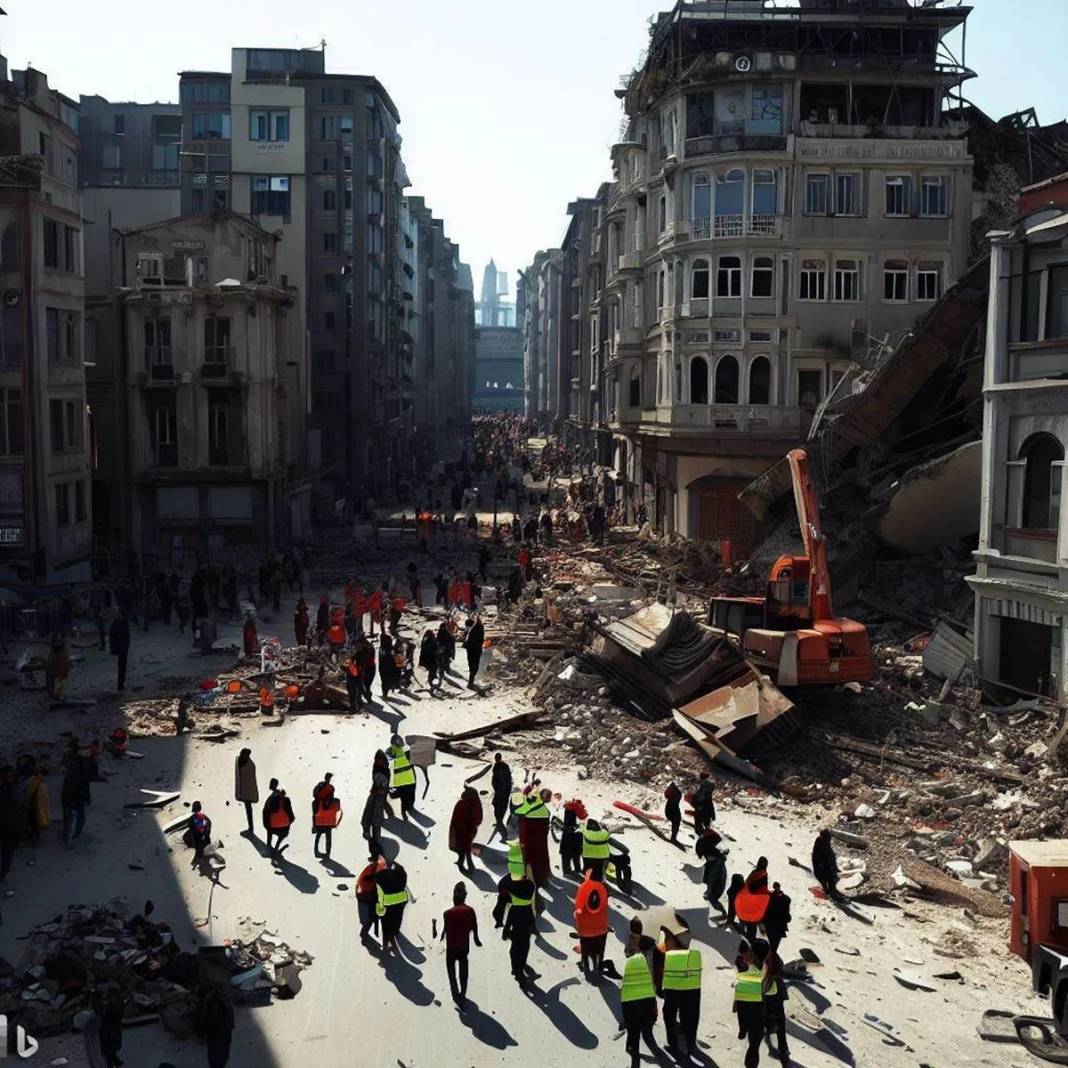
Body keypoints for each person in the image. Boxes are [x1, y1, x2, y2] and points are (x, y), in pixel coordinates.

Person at [621, 918, 659, 1068]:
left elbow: (629, 956)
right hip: (646, 987)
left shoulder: (642, 946)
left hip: (636, 989)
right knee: (645, 1013)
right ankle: (645, 1029)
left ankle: (633, 1046)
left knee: (634, 1023)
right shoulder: (647, 943)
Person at [661, 929, 702, 1060]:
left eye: (668, 939)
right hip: (692, 988)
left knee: (669, 1015)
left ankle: (673, 1046)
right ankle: (691, 1044)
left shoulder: (668, 955)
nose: (665, 942)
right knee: (691, 1015)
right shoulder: (695, 955)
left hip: (673, 989)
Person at [441, 881, 482, 1008]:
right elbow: (474, 926)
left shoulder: (447, 913)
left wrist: (443, 934)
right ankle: (462, 993)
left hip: (451, 948)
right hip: (464, 947)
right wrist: (476, 938)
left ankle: (455, 994)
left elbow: (446, 927)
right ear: (465, 896)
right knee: (463, 971)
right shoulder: (470, 911)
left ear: (454, 896)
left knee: (451, 972)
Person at [734, 938, 771, 1068]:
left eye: (749, 951)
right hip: (760, 1019)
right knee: (754, 1048)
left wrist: (742, 1029)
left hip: (751, 1018)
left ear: (753, 955)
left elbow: (741, 1006)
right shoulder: (767, 972)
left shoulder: (745, 977)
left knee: (753, 1049)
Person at [501, 864, 537, 984]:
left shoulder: (514, 891)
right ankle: (519, 972)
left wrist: (506, 928)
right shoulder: (529, 887)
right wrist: (533, 925)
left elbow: (510, 915)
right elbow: (530, 912)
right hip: (526, 924)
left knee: (515, 948)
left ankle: (515, 969)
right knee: (524, 948)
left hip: (516, 924)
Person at [573, 868, 609, 978]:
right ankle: (598, 965)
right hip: (601, 928)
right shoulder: (602, 888)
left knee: (585, 948)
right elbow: (604, 906)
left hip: (585, 929)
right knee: (600, 948)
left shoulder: (583, 887)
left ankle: (586, 967)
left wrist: (576, 915)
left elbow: (577, 905)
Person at [374, 858, 410, 954]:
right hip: (401, 901)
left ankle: (386, 945)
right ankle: (394, 934)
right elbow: (402, 872)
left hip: (388, 903)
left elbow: (380, 895)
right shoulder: (401, 874)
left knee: (386, 925)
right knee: (397, 919)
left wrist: (380, 907)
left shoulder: (379, 878)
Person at [517, 786, 551, 886]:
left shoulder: (526, 808)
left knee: (526, 861)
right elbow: (546, 830)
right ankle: (542, 880)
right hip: (540, 843)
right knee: (540, 860)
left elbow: (523, 827)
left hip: (527, 841)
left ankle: (527, 880)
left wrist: (522, 841)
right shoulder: (545, 811)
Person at [197, 982, 235, 1068]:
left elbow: (202, 1018)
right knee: (221, 1053)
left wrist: (201, 1033)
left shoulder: (208, 1000)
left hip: (215, 1032)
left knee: (215, 1053)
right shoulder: (224, 1000)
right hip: (222, 1032)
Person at [763, 949, 791, 1066]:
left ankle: (781, 1047)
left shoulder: (768, 956)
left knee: (774, 1017)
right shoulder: (771, 955)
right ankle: (782, 1048)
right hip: (775, 993)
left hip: (772, 993)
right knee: (779, 1019)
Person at [61, 743, 92, 843]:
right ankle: (72, 837)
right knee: (77, 817)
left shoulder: (76, 763)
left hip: (69, 793)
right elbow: (83, 782)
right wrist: (86, 796)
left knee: (70, 816)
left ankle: (68, 836)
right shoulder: (81, 764)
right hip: (74, 794)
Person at [448, 786, 482, 873]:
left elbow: (476, 817)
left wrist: (472, 825)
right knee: (464, 847)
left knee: (464, 848)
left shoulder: (467, 803)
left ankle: (465, 866)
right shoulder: (472, 802)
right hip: (464, 829)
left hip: (465, 829)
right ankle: (464, 864)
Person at [695, 827, 728, 917]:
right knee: (712, 899)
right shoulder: (713, 862)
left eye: (706, 856)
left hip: (717, 885)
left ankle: (724, 914)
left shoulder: (715, 866)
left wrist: (708, 892)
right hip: (716, 883)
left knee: (713, 900)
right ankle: (723, 913)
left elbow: (712, 879)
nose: (705, 858)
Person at [262, 779, 295, 865]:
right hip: (283, 828)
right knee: (283, 833)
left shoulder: (270, 799)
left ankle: (268, 846)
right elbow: (291, 816)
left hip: (271, 827)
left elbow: (265, 813)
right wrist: (287, 823)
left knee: (269, 830)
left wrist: (267, 826)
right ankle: (276, 847)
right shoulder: (286, 800)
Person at [0, 765, 24, 880]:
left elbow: (15, 810)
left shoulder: (12, 790)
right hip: (8, 826)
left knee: (6, 853)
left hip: (9, 826)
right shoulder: (10, 788)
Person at [311, 773, 342, 859]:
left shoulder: (320, 787)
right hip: (328, 818)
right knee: (328, 836)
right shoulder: (331, 788)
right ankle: (327, 853)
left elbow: (315, 797)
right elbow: (332, 800)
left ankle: (316, 851)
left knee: (319, 834)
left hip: (320, 816)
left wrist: (313, 824)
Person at [387, 734, 417, 820]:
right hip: (409, 777)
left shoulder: (390, 751)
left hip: (400, 779)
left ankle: (403, 812)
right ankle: (409, 807)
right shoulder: (406, 749)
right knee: (410, 794)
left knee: (403, 797)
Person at [356, 855, 385, 942]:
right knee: (373, 916)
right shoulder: (371, 872)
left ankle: (366, 932)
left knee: (374, 915)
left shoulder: (372, 868)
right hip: (367, 894)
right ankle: (364, 934)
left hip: (369, 892)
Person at [23, 761, 50, 847]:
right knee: (35, 827)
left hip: (30, 807)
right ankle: (33, 842)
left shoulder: (33, 780)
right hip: (35, 809)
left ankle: (29, 838)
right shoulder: (41, 784)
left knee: (31, 825)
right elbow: (42, 801)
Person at [812, 828, 842, 901]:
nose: (829, 838)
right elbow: (817, 855)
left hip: (827, 865)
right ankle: (831, 894)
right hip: (822, 865)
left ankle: (832, 892)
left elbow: (830, 854)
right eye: (828, 836)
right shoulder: (820, 842)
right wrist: (821, 864)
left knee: (831, 879)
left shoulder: (825, 842)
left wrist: (834, 866)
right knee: (828, 879)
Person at [560, 798, 587, 878]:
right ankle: (577, 869)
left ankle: (566, 871)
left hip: (568, 836)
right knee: (577, 854)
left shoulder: (568, 810)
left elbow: (565, 825)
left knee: (566, 855)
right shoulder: (581, 810)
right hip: (578, 835)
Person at [234, 748, 258, 835]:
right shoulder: (246, 762)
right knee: (248, 810)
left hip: (247, 791)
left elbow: (250, 778)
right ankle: (250, 828)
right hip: (246, 791)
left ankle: (251, 828)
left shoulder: (249, 764)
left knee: (249, 810)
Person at [763, 882, 792, 954]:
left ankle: (770, 958)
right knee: (774, 947)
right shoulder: (786, 899)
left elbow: (765, 912)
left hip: (770, 925)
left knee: (771, 945)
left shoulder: (768, 898)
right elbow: (787, 915)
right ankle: (772, 958)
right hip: (780, 927)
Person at [490, 752, 512, 840]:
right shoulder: (505, 766)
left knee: (498, 813)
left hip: (500, 793)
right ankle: (499, 824)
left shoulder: (497, 767)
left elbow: (496, 781)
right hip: (505, 793)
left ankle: (504, 835)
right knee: (501, 811)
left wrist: (496, 787)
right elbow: (509, 779)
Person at [185, 800, 212, 868]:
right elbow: (208, 825)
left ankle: (198, 862)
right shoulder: (204, 817)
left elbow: (193, 827)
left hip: (198, 839)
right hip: (204, 839)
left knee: (199, 851)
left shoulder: (193, 818)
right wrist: (206, 834)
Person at [109, 613, 130, 693]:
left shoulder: (118, 623)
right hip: (122, 647)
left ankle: (120, 684)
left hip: (122, 647)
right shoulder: (122, 624)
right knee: (122, 666)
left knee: (122, 666)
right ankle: (120, 684)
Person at [463, 614, 485, 690]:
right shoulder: (474, 627)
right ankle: (471, 680)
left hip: (472, 648)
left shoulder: (477, 627)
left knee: (472, 664)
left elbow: (480, 638)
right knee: (474, 664)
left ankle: (471, 680)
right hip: (474, 648)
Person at [378, 633, 400, 701]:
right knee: (386, 681)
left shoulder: (383, 648)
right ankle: (386, 693)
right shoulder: (388, 648)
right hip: (387, 668)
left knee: (385, 682)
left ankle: (385, 694)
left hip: (385, 668)